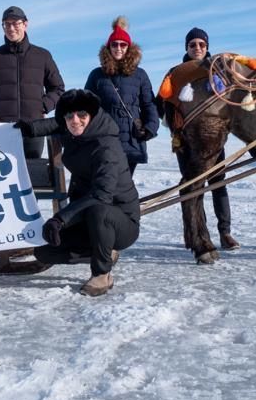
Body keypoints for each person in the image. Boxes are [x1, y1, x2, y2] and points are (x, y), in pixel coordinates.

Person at [18, 89, 139, 297]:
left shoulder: (105, 147)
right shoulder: (75, 131)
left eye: (82, 115)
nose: (75, 120)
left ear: (92, 116)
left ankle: (102, 274)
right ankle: (104, 251)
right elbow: (53, 124)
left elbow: (102, 195)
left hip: (120, 222)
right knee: (45, 251)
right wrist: (27, 129)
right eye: (69, 115)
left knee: (100, 211)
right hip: (87, 216)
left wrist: (61, 218)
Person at [172, 27, 239, 250]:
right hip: (185, 140)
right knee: (193, 185)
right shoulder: (176, 73)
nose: (197, 48)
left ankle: (225, 232)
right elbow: (166, 102)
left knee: (218, 184)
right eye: (193, 45)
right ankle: (195, 233)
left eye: (202, 44)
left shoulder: (218, 71)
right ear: (187, 48)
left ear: (207, 47)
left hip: (213, 138)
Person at [0, 5, 65, 158]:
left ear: (25, 24)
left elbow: (58, 88)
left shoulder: (42, 55)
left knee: (33, 175)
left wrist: (42, 106)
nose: (11, 28)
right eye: (7, 24)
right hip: (1, 129)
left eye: (16, 23)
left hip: (33, 128)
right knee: (2, 173)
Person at [83, 17, 159, 176]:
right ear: (109, 47)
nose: (118, 48)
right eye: (114, 44)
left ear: (129, 48)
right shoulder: (97, 75)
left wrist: (149, 128)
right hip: (103, 139)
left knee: (124, 187)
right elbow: (86, 106)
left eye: (123, 44)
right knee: (105, 185)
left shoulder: (140, 75)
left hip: (131, 139)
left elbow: (149, 105)